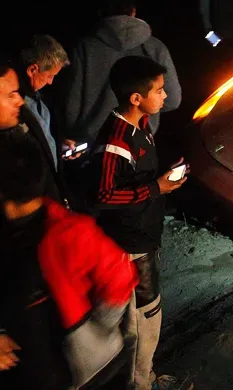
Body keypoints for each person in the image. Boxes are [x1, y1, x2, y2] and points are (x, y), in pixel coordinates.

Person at [0, 139, 138, 390]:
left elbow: (119, 277)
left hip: (90, 374)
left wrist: (91, 333)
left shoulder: (69, 232)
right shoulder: (68, 229)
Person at [90, 56, 186, 390]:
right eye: (159, 90)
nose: (165, 96)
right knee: (142, 320)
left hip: (143, 236)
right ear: (136, 98)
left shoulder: (140, 126)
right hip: (128, 246)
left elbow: (137, 179)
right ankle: (139, 383)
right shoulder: (116, 139)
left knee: (148, 315)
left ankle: (144, 376)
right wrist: (156, 187)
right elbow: (103, 195)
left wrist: (160, 181)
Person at [63, 0, 181, 145]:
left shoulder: (84, 47)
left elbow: (71, 104)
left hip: (94, 143)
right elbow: (173, 100)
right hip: (140, 140)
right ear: (133, 11)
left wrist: (72, 135)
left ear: (100, 12)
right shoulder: (155, 47)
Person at [16, 35, 74, 206]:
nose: (51, 82)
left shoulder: (44, 99)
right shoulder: (14, 108)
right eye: (50, 75)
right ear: (33, 69)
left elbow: (44, 138)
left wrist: (59, 147)